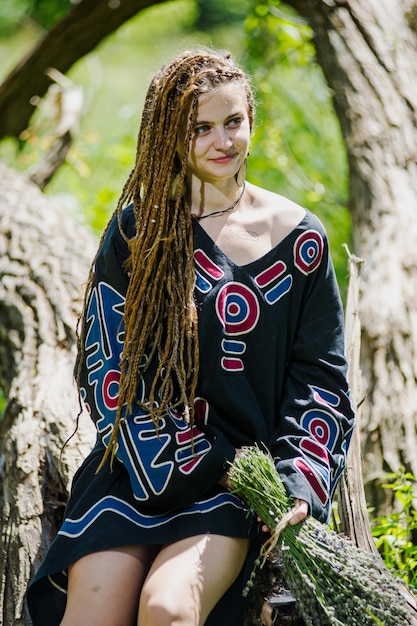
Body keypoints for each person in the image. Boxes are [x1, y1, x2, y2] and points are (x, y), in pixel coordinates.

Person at [26, 48, 355, 626]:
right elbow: (109, 376)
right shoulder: (138, 235)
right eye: (199, 128)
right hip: (135, 470)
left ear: (251, 119)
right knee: (92, 615)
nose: (221, 141)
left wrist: (300, 480)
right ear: (168, 135)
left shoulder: (302, 242)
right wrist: (189, 458)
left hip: (236, 488)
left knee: (168, 607)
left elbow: (320, 378)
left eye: (233, 121)